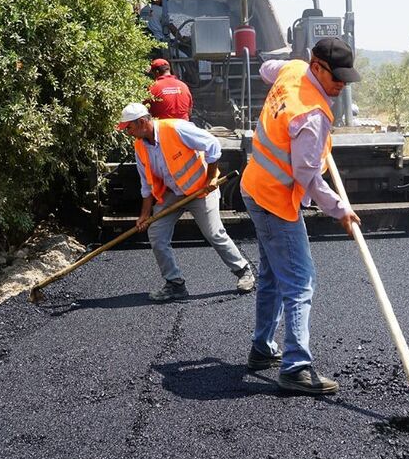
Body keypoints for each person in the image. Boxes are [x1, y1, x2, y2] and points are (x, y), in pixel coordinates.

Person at [240, 37, 362, 395]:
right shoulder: (311, 116)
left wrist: (288, 67)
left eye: (345, 78)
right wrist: (342, 209)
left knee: (272, 274)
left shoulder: (292, 69)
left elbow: (266, 69)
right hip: (275, 201)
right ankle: (295, 366)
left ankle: (262, 349)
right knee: (300, 281)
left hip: (254, 188)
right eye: (335, 77)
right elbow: (307, 179)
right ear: (316, 65)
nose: (341, 84)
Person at [116, 102, 256, 301]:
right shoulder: (140, 146)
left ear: (141, 122)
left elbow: (213, 144)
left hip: (200, 190)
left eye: (128, 127)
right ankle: (175, 284)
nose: (127, 132)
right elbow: (146, 183)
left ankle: (243, 271)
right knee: (156, 233)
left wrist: (210, 180)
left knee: (214, 233)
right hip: (173, 193)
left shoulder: (175, 129)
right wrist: (144, 215)